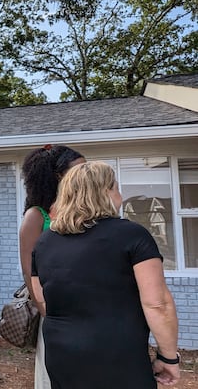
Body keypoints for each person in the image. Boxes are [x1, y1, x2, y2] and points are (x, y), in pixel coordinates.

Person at [31, 161, 180, 388]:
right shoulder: (132, 235)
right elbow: (157, 304)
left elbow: (42, 299)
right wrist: (168, 356)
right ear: (105, 192)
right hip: (118, 354)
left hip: (61, 352)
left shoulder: (43, 243)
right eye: (116, 188)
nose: (120, 195)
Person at [19, 144, 84, 389]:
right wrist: (48, 312)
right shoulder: (36, 216)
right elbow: (29, 270)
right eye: (79, 169)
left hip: (87, 310)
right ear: (59, 177)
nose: (86, 174)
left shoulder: (83, 212)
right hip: (56, 312)